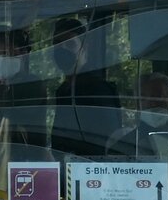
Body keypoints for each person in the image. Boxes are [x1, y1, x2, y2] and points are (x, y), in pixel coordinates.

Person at [49, 16, 121, 157]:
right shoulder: (64, 90)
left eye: (70, 44)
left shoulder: (98, 90)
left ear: (84, 48)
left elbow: (107, 143)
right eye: (57, 44)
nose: (62, 50)